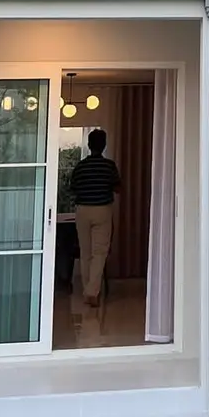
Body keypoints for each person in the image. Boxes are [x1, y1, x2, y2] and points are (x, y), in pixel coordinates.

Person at [71, 130, 119, 305]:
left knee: (85, 252)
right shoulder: (109, 166)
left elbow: (73, 188)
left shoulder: (80, 167)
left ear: (89, 145)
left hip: (83, 210)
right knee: (99, 252)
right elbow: (117, 187)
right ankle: (92, 291)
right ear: (104, 145)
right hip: (102, 209)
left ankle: (87, 289)